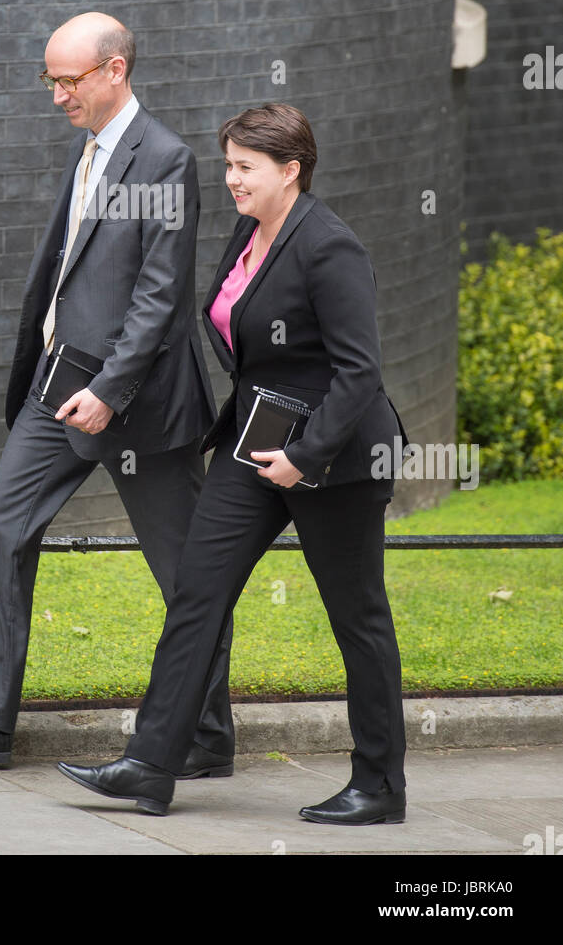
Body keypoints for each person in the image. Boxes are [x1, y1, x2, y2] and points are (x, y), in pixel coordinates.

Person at [0, 12, 235, 773]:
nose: (56, 95)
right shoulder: (87, 153)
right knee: (0, 533)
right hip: (57, 383)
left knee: (185, 576)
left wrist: (110, 388)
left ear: (114, 71)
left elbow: (158, 295)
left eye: (67, 80)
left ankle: (204, 737)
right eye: (50, 80)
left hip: (140, 403)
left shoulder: (164, 159)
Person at [57, 102, 409, 824]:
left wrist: (306, 456)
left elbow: (358, 372)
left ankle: (378, 786)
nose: (230, 180)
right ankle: (150, 767)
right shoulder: (249, 231)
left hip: (334, 459)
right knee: (197, 590)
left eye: (244, 168)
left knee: (357, 619)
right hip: (252, 443)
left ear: (291, 170)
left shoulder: (327, 246)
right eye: (227, 165)